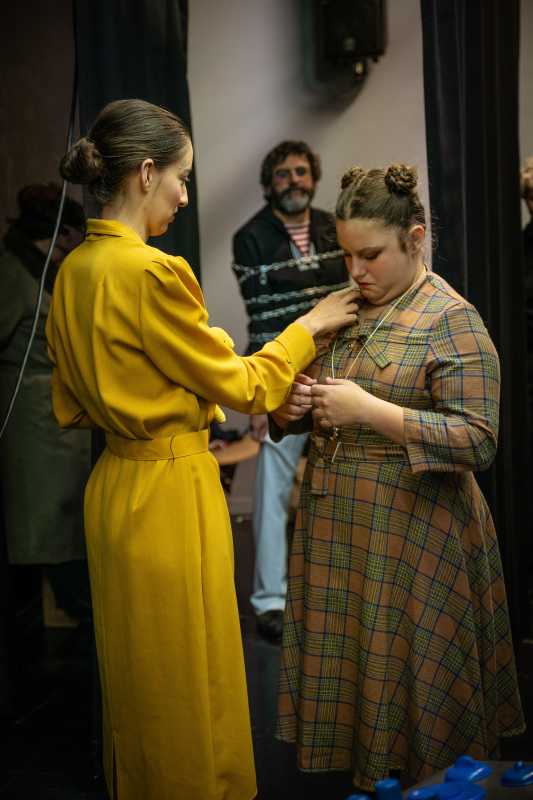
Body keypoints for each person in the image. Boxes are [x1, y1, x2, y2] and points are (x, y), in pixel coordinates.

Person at [46, 98, 359, 800]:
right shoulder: (151, 273)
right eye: (181, 178)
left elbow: (71, 402)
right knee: (189, 681)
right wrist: (311, 324)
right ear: (145, 173)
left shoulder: (74, 270)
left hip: (113, 487)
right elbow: (247, 384)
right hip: (168, 490)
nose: (185, 196)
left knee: (137, 683)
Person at [271, 163, 525, 793]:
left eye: (371, 255)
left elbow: (478, 438)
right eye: (346, 255)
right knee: (359, 676)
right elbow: (296, 403)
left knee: (422, 699)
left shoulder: (450, 319)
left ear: (415, 239)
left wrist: (371, 411)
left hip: (416, 536)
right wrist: (290, 407)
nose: (356, 271)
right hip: (339, 531)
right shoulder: (340, 309)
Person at [232, 140, 349, 642]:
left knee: (341, 479)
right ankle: (270, 601)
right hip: (281, 373)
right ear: (269, 183)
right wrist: (263, 397)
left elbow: (345, 296)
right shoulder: (249, 236)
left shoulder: (332, 226)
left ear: (314, 177)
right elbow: (263, 315)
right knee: (273, 488)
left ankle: (336, 594)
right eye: (283, 174)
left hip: (339, 369)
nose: (294, 180)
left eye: (302, 171)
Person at [0, 183, 91, 621]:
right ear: (62, 235)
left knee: (59, 523)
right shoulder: (14, 273)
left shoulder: (43, 271)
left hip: (55, 416)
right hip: (30, 416)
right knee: (42, 527)